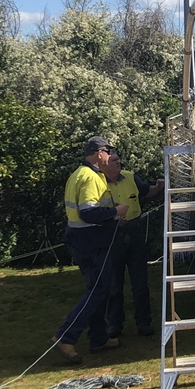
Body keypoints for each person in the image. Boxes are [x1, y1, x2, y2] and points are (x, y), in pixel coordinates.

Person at [49, 136, 129, 365]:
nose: (110, 155)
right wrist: (116, 212)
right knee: (98, 290)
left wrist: (111, 218)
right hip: (91, 242)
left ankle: (98, 338)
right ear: (99, 153)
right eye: (108, 151)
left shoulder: (78, 174)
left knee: (98, 288)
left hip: (81, 239)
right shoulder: (91, 177)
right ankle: (65, 336)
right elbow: (88, 213)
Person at [103, 151, 164, 337]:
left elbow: (147, 191)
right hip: (112, 236)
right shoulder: (97, 183)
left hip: (134, 233)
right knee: (114, 283)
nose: (118, 162)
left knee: (140, 281)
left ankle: (143, 322)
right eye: (114, 160)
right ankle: (114, 325)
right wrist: (112, 219)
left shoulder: (130, 177)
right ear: (105, 164)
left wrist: (158, 187)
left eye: (118, 159)